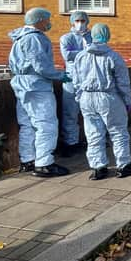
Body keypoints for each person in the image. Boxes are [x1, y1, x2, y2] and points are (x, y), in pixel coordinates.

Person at [72, 23, 131, 180]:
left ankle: (98, 168)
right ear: (107, 35)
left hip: (86, 98)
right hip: (108, 97)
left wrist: (79, 97)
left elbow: (76, 80)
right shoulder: (113, 56)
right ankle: (123, 166)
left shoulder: (81, 56)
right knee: (118, 132)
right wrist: (128, 100)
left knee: (93, 134)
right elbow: (123, 82)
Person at [8, 7, 71, 177]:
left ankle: (28, 160)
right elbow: (41, 66)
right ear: (39, 20)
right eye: (47, 19)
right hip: (36, 86)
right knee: (46, 123)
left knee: (27, 123)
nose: (49, 23)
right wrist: (60, 75)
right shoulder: (34, 39)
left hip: (22, 84)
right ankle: (44, 163)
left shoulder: (19, 37)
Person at [59, 11, 92, 156]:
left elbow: (97, 53)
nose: (80, 23)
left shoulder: (92, 37)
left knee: (91, 112)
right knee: (70, 113)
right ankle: (70, 143)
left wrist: (79, 52)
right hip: (71, 79)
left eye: (83, 20)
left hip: (88, 79)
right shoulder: (66, 38)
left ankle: (92, 141)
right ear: (72, 22)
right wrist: (86, 52)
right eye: (77, 20)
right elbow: (67, 55)